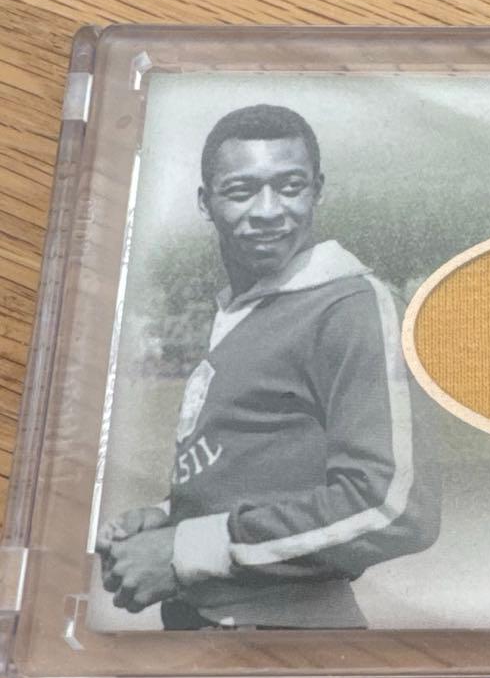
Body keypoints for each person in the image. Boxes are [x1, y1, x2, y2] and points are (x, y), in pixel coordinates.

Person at [98, 104, 439, 628]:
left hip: (288, 637)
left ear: (317, 190)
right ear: (206, 202)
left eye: (290, 186)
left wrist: (184, 550)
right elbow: (261, 471)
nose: (268, 210)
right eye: (241, 191)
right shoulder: (242, 310)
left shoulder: (348, 305)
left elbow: (395, 508)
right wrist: (171, 517)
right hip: (199, 629)